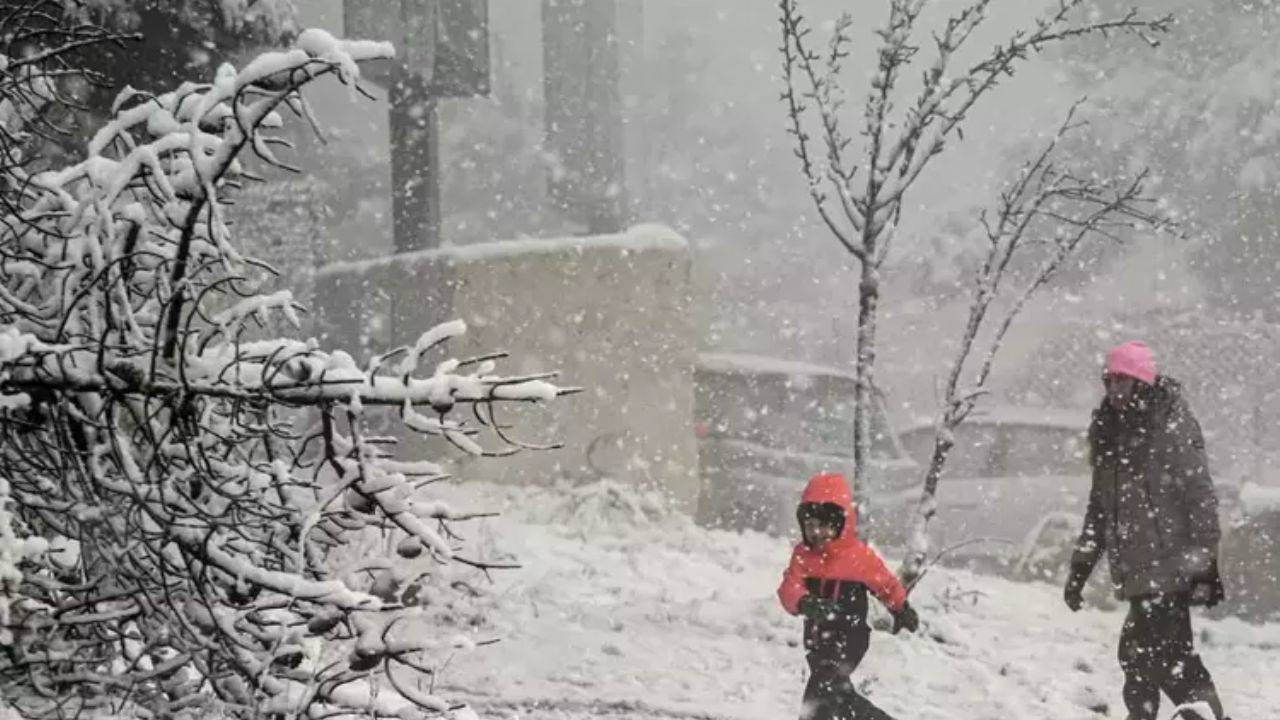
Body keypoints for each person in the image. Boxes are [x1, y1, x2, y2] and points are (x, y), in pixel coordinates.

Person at [1064, 341, 1229, 720]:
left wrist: (1204, 565)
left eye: (1123, 382)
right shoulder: (1111, 432)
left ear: (1143, 384)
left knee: (1154, 658)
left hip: (1170, 569)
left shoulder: (1169, 425)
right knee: (1157, 659)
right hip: (1138, 574)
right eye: (1110, 382)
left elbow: (1199, 497)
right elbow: (1099, 509)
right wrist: (1080, 568)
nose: (1115, 392)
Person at [778, 472, 919, 720]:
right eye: (810, 526)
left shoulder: (857, 557)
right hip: (817, 639)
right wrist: (805, 601)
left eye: (824, 526)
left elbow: (885, 583)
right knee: (838, 698)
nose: (817, 533)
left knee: (820, 692)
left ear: (840, 525)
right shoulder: (803, 556)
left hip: (849, 636)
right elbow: (789, 588)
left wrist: (900, 607)